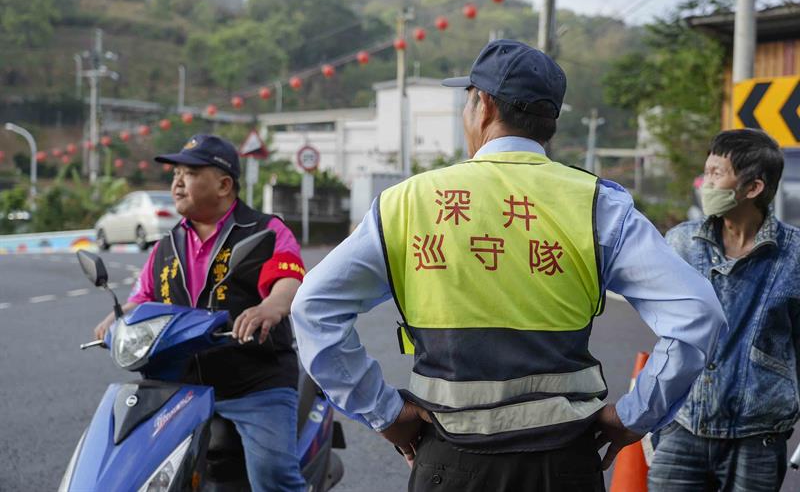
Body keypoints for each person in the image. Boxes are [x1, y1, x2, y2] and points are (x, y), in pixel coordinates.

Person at [290, 39, 726, 491]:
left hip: (450, 462)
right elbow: (697, 314)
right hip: (566, 464)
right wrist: (637, 415)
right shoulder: (598, 205)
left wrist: (385, 412)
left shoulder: (407, 202)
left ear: (484, 106)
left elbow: (313, 307)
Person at [93, 134, 307, 492]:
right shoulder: (166, 245)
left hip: (254, 383)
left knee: (273, 475)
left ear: (224, 185)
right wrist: (117, 319)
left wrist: (271, 306)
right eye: (175, 173)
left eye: (190, 173)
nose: (177, 182)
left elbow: (288, 278)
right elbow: (142, 299)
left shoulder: (266, 230)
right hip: (180, 384)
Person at [648, 129, 798, 492]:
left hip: (758, 436)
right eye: (706, 172)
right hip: (682, 425)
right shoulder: (681, 243)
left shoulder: (793, 256)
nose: (707, 183)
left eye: (717, 173)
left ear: (753, 188)